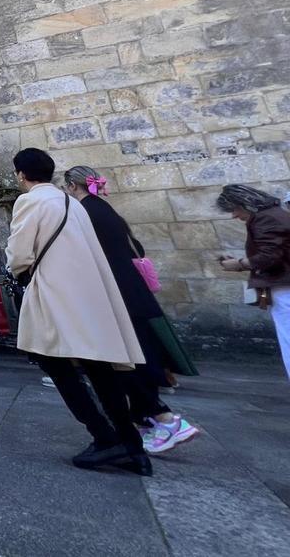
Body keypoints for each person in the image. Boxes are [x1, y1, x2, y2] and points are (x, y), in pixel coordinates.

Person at [6, 148, 151, 476]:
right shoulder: (73, 203)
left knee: (53, 362)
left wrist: (17, 270)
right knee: (99, 367)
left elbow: (19, 255)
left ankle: (104, 436)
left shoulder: (30, 201)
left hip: (56, 294)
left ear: (21, 174)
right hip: (89, 293)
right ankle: (131, 445)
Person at [62, 166, 199, 454]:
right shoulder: (105, 210)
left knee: (124, 359)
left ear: (73, 186)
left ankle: (164, 418)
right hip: (130, 291)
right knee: (131, 357)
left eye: (66, 188)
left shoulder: (85, 212)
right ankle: (149, 420)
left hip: (115, 294)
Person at [216, 184, 290, 379]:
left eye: (234, 209)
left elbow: (270, 256)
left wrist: (239, 264)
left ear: (246, 204)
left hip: (284, 285)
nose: (234, 215)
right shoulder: (274, 214)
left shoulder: (266, 218)